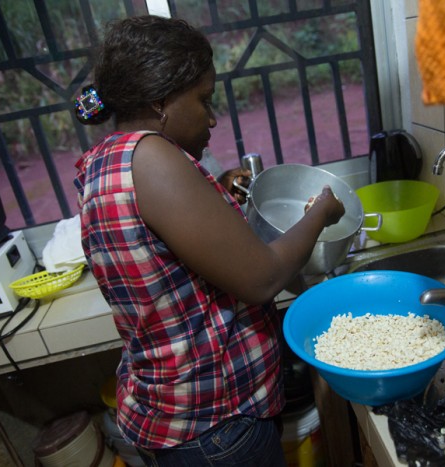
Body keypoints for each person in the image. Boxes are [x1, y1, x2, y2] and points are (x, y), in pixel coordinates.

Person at [72, 15, 345, 467]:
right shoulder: (152, 157)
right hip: (216, 426)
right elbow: (263, 278)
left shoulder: (109, 158)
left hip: (179, 416)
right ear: (161, 101)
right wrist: (321, 211)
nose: (213, 117)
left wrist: (218, 194)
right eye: (203, 100)